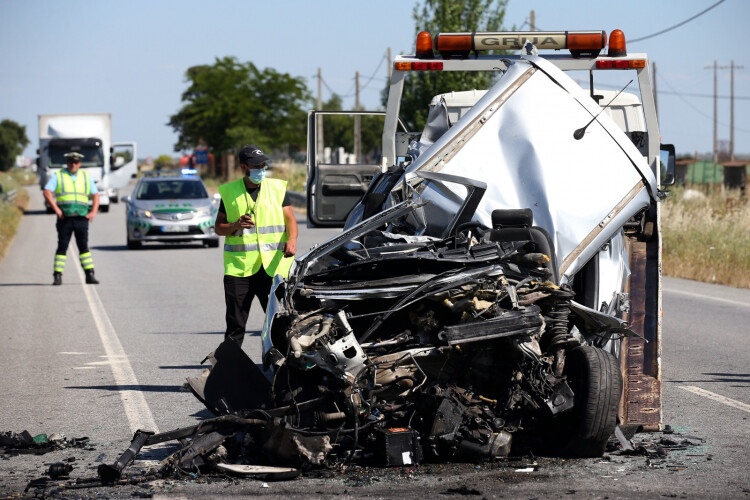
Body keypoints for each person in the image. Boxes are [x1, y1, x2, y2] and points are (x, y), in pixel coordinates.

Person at [214, 145, 298, 346]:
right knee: (235, 324)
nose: (260, 169)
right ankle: (229, 368)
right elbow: (218, 228)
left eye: (262, 165)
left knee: (280, 322)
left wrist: (292, 240)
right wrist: (235, 225)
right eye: (255, 165)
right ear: (244, 167)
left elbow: (291, 220)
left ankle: (283, 367)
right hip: (240, 269)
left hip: (272, 267)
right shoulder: (229, 192)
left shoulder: (277, 188)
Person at [42, 151, 100, 286]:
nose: (73, 164)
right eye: (70, 162)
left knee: (84, 247)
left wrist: (93, 212)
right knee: (62, 247)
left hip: (81, 218)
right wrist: (56, 209)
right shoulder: (59, 176)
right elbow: (47, 192)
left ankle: (90, 275)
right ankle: (57, 275)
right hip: (65, 218)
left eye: (75, 162)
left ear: (79, 164)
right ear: (67, 162)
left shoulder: (85, 177)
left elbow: (95, 194)